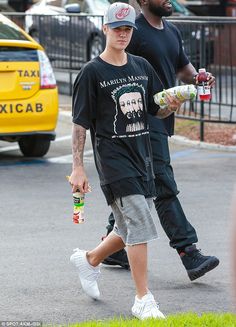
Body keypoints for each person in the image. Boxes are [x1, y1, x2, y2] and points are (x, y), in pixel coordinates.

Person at [69, 2, 184, 320]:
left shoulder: (141, 67)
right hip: (113, 160)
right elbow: (80, 123)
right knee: (141, 226)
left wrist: (170, 105)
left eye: (127, 28)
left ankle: (90, 259)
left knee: (127, 225)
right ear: (105, 29)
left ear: (132, 31)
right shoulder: (92, 72)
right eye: (117, 28)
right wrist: (78, 167)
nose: (122, 33)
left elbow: (155, 108)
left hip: (142, 158)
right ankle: (142, 298)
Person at [102, 0, 220, 281]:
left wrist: (200, 78)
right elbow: (113, 65)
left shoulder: (172, 31)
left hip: (162, 116)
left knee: (139, 186)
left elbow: (182, 67)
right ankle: (188, 252)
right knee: (162, 182)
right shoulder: (133, 31)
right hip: (139, 120)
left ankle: (112, 246)